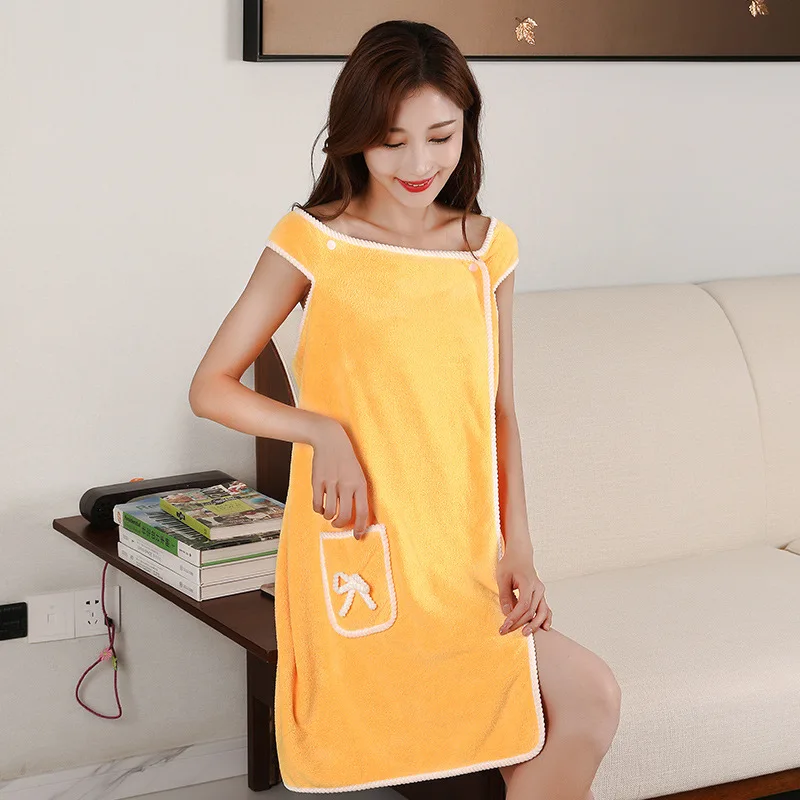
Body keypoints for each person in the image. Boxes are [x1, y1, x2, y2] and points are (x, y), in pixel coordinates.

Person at [189, 19, 621, 798]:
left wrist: (519, 549)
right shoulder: (315, 241)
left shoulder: (486, 249)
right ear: (355, 136)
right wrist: (320, 431)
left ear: (467, 128)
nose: (419, 165)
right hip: (367, 551)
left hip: (465, 556)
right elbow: (211, 384)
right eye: (392, 142)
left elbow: (498, 409)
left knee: (588, 699)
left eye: (440, 137)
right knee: (510, 733)